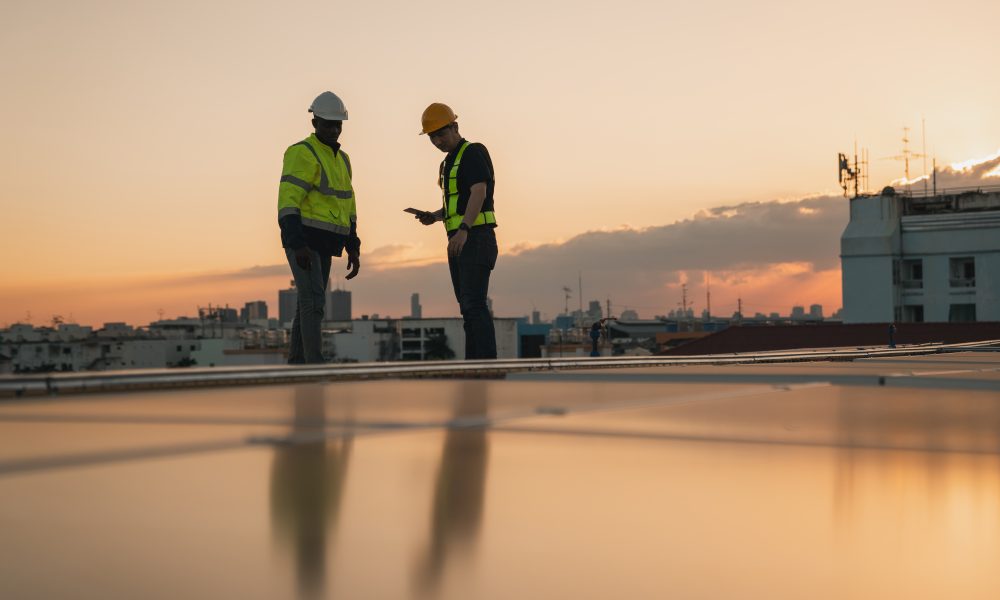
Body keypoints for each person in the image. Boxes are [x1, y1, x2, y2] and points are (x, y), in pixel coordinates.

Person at [278, 91, 361, 364]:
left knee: (311, 303)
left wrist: (353, 246)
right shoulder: (302, 152)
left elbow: (348, 203)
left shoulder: (343, 159)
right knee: (312, 301)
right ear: (314, 123)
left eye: (338, 124)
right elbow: (288, 202)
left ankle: (298, 361)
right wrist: (297, 243)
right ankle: (313, 363)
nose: (335, 129)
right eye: (328, 124)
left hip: (326, 241)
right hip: (304, 240)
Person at [412, 103, 498, 359]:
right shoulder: (448, 163)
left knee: (474, 304)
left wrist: (463, 229)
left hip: (475, 237)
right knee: (467, 307)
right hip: (459, 240)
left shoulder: (472, 152)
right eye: (433, 137)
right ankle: (474, 366)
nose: (438, 141)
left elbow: (479, 192)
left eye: (441, 134)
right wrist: (435, 216)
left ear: (455, 127)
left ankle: (485, 366)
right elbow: (458, 202)